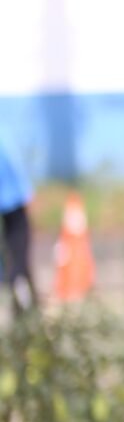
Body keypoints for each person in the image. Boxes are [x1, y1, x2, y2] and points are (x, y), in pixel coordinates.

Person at [0, 135, 35, 317]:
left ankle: (26, 307)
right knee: (17, 257)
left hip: (13, 204)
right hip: (13, 203)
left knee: (17, 259)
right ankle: (23, 304)